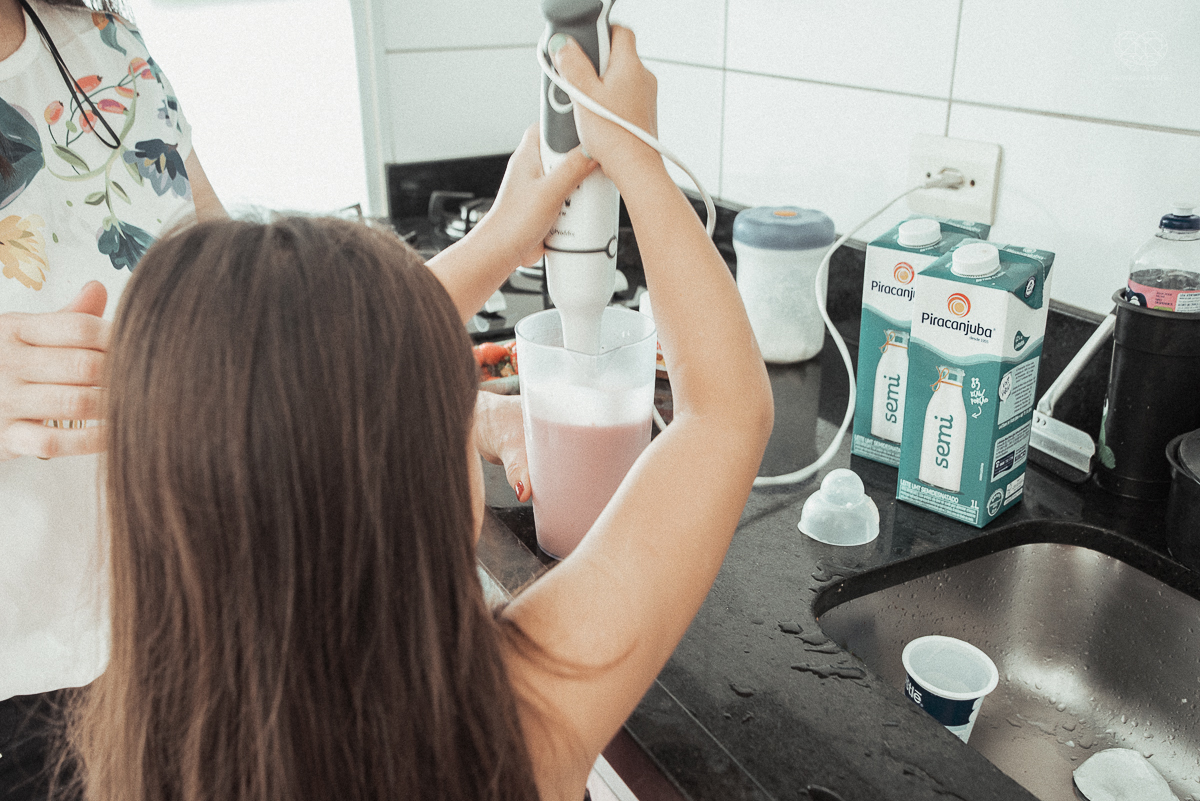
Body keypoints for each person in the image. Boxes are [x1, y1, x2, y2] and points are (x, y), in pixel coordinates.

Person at [62, 26, 772, 801]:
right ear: (414, 495)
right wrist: (638, 157)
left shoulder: (147, 758)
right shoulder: (517, 717)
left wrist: (502, 236)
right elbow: (725, 413)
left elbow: (327, 379)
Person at [0, 0, 589, 797]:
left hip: (203, 637)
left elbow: (255, 345)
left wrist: (440, 398)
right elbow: (720, 419)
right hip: (25, 699)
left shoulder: (104, 47)